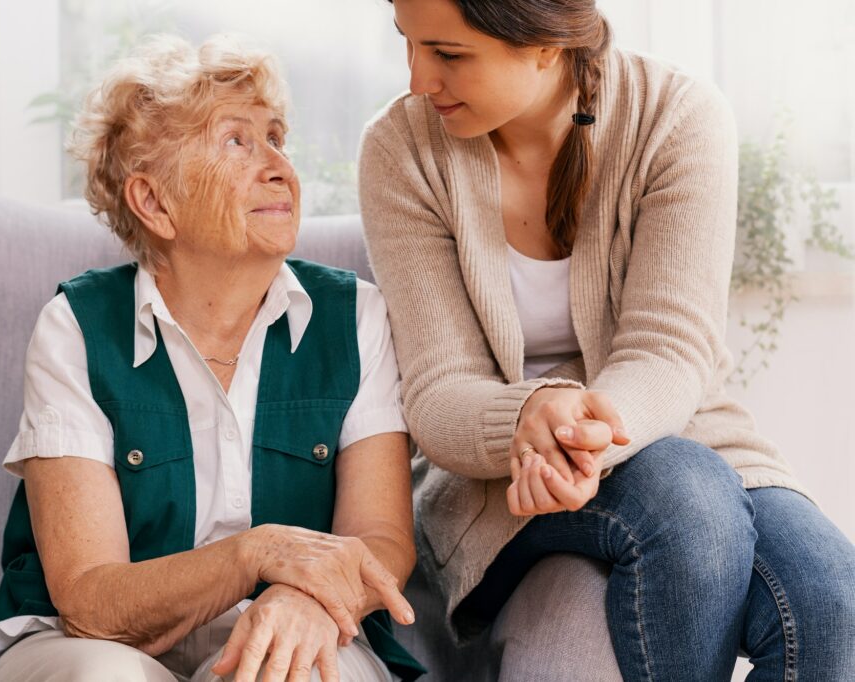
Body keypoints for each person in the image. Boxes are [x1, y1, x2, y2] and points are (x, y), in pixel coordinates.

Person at [358, 0, 855, 679]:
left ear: (543, 43)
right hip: (498, 475)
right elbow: (439, 391)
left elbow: (671, 347)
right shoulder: (402, 149)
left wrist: (584, 430)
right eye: (407, 45)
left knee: (832, 602)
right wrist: (531, 417)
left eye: (449, 54)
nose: (418, 80)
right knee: (687, 497)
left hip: (684, 430)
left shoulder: (676, 117)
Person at [0, 34, 426, 682]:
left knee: (285, 671)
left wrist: (304, 596)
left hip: (301, 624)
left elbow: (381, 539)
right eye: (237, 141)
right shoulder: (76, 329)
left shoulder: (355, 318)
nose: (278, 165)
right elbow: (90, 597)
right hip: (97, 644)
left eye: (276, 137)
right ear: (154, 202)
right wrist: (254, 555)